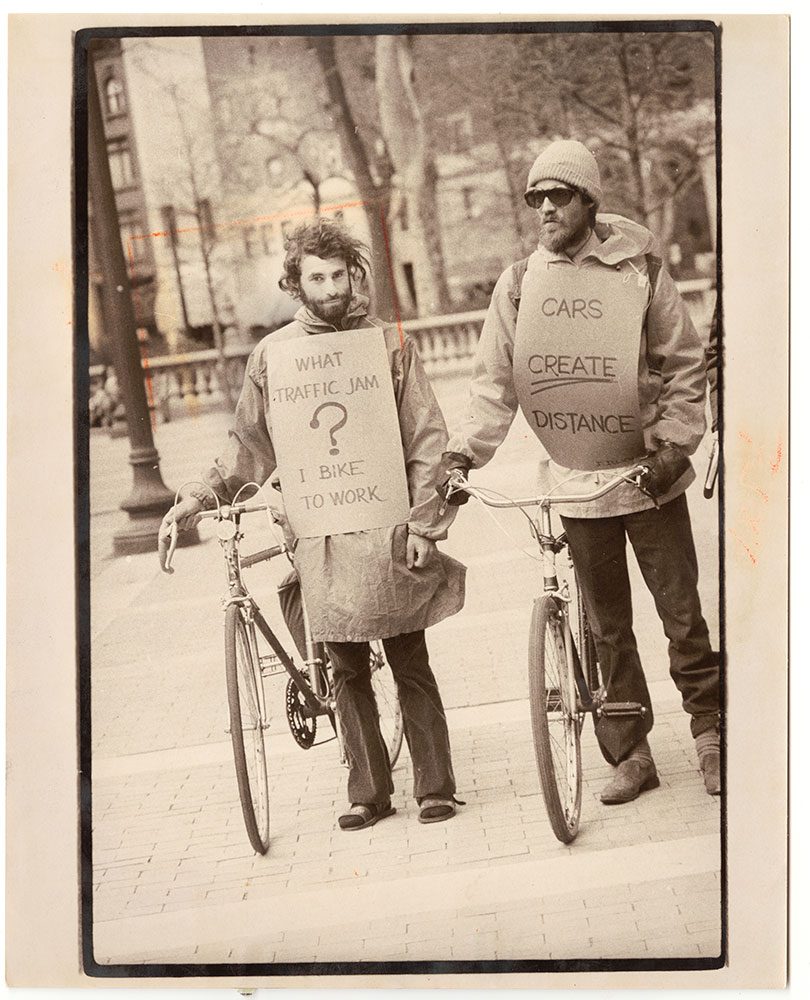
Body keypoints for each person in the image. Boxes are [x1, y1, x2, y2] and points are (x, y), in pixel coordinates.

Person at [439, 140, 721, 802]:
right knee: (606, 629)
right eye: (535, 197)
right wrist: (460, 454)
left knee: (682, 616)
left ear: (588, 200)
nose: (544, 209)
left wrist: (675, 447)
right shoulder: (519, 286)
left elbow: (683, 363)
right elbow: (493, 385)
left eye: (558, 195)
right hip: (577, 484)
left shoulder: (640, 270)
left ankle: (713, 735)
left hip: (648, 479)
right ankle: (631, 754)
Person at [159, 218, 465, 829]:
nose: (329, 287)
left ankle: (436, 785)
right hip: (321, 533)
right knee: (345, 668)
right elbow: (248, 447)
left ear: (354, 276)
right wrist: (197, 494)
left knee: (409, 657)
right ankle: (369, 792)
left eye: (338, 275)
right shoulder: (273, 356)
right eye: (315, 277)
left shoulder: (388, 345)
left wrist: (426, 525)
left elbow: (426, 439)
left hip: (386, 529)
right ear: (296, 283)